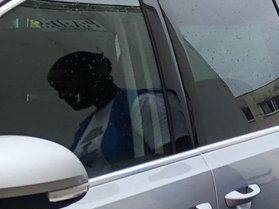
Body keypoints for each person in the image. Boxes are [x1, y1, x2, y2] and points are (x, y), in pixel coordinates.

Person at [47, 50, 188, 173]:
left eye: (63, 86)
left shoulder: (141, 104)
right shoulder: (86, 125)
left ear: (89, 77)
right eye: (57, 90)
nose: (61, 95)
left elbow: (178, 165)